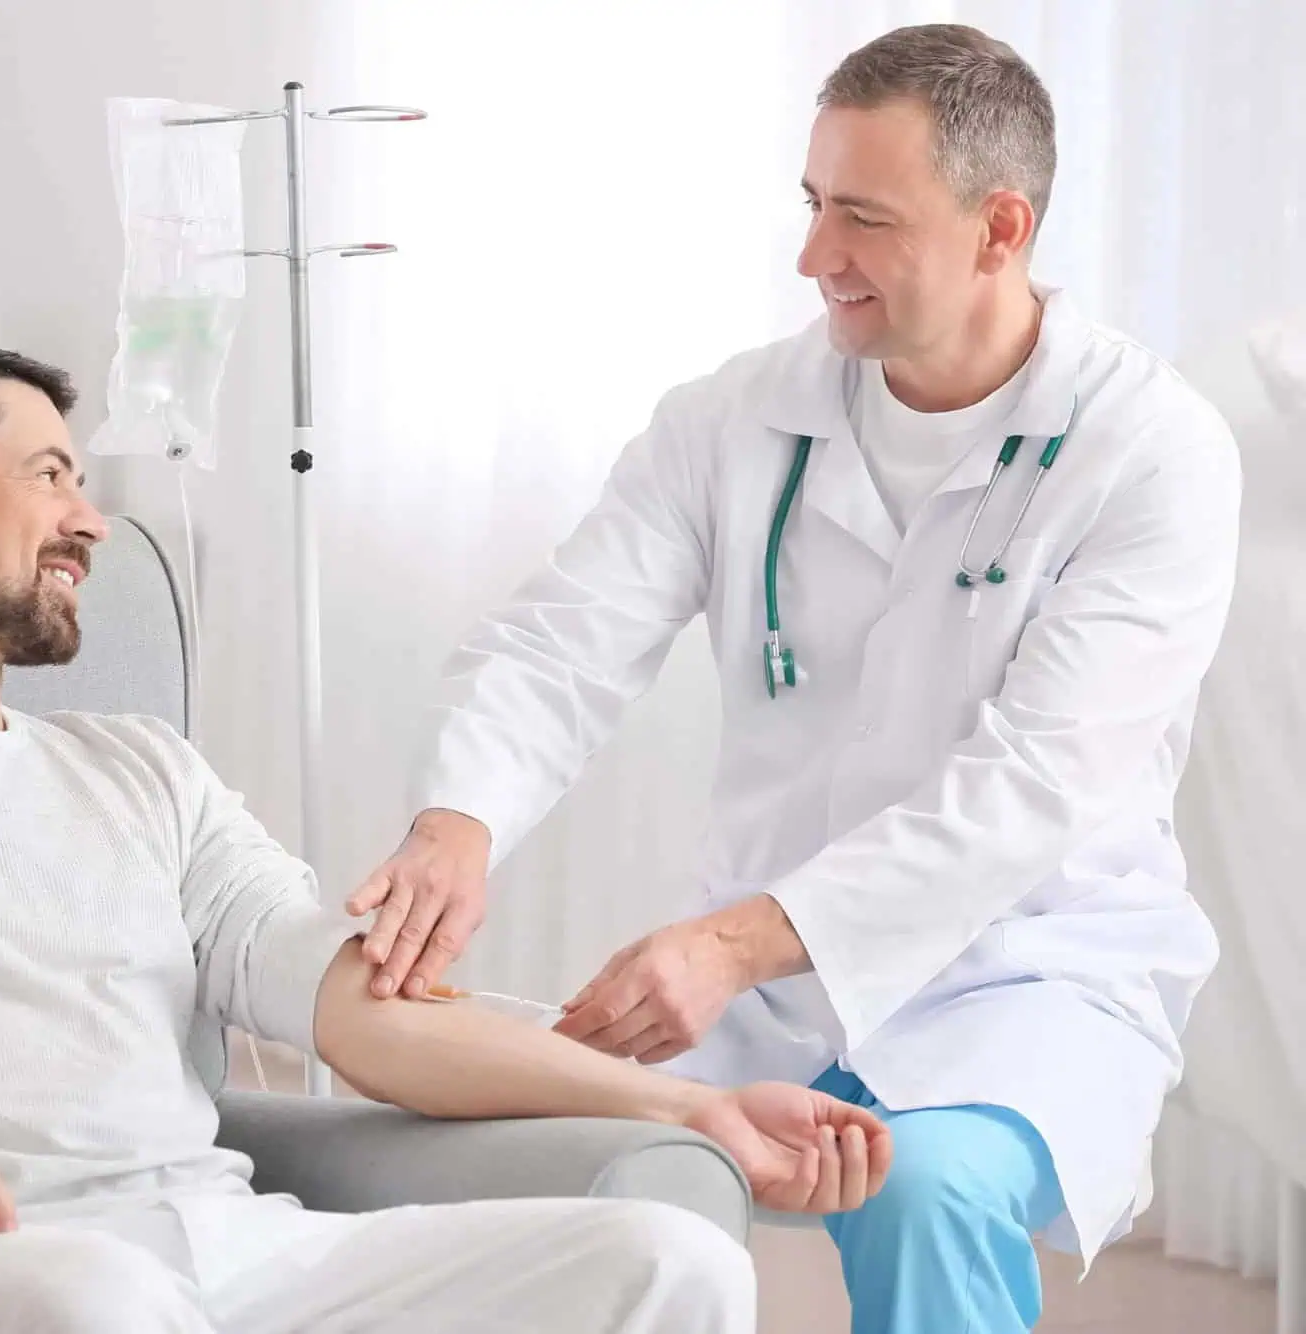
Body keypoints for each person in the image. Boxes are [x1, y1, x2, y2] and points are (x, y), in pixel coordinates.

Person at [0, 344, 894, 1334]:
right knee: (95, 1305)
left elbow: (369, 1013)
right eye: (48, 474)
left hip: (238, 1243)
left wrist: (690, 1107)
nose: (90, 518)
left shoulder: (140, 771)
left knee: (665, 1263)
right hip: (21, 1262)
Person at [350, 23, 1239, 1334]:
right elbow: (566, 638)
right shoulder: (732, 419)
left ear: (1000, 229)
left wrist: (720, 944)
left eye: (863, 218)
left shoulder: (1149, 450)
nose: (815, 257)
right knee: (587, 1167)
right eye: (814, 205)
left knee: (920, 1183)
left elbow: (1039, 782)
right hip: (765, 992)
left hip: (1025, 969)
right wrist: (457, 820)